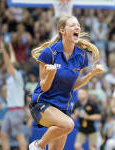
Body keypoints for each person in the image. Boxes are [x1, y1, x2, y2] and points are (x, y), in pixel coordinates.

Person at [28, 16, 103, 150]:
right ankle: (37, 145)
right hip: (43, 103)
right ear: (62, 30)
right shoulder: (49, 53)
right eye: (73, 25)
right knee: (69, 125)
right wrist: (51, 74)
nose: (77, 28)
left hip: (63, 108)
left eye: (78, 25)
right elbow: (44, 87)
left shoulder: (81, 56)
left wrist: (92, 74)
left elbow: (73, 86)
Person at [0, 40, 27, 150]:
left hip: (17, 110)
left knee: (18, 135)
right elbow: (12, 61)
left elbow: (9, 64)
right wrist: (10, 50)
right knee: (3, 134)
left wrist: (3, 51)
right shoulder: (12, 77)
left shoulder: (18, 76)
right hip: (10, 110)